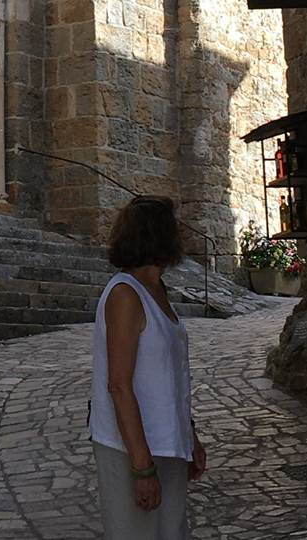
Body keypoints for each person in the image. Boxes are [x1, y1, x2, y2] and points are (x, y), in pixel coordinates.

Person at [90, 196, 206, 539]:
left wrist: (190, 436)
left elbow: (168, 377)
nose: (181, 233)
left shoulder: (156, 289)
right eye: (175, 226)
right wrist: (142, 468)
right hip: (132, 448)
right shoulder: (125, 295)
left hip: (165, 442)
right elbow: (119, 385)